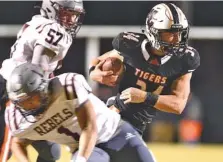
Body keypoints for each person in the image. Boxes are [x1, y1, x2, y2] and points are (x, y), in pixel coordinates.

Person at [5, 63, 156, 162]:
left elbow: (89, 127)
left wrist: (81, 160)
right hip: (85, 149)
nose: (30, 106)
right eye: (23, 102)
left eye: (33, 99)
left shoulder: (68, 87)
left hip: (116, 133)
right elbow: (17, 143)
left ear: (44, 89)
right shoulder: (18, 120)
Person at [89, 3, 200, 135]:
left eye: (180, 33)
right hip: (114, 109)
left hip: (139, 122)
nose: (177, 39)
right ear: (153, 32)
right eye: (170, 34)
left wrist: (144, 97)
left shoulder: (185, 59)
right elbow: (97, 64)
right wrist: (96, 74)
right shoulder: (130, 44)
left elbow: (178, 105)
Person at [0, 0, 85, 162]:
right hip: (20, 92)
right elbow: (38, 66)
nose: (72, 20)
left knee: (51, 151)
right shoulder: (54, 29)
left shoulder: (37, 22)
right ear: (51, 9)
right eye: (67, 14)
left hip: (18, 85)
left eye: (74, 16)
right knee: (7, 147)